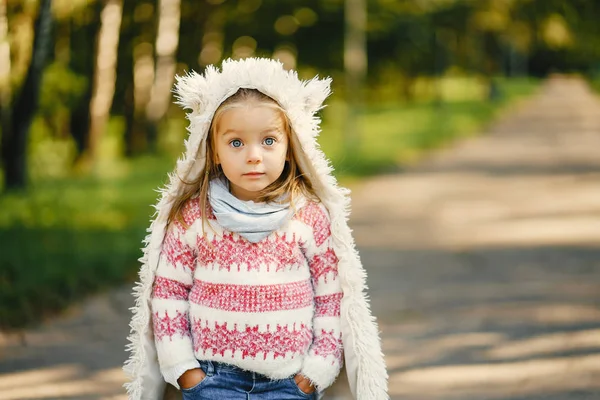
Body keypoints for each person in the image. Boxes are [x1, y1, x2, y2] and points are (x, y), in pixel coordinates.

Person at [123, 58, 388, 400]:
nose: (253, 156)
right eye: (236, 143)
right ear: (213, 151)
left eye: (268, 141)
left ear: (290, 147)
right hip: (213, 380)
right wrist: (186, 370)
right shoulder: (195, 217)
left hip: (290, 382)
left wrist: (315, 372)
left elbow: (332, 298)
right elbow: (169, 293)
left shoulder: (307, 216)